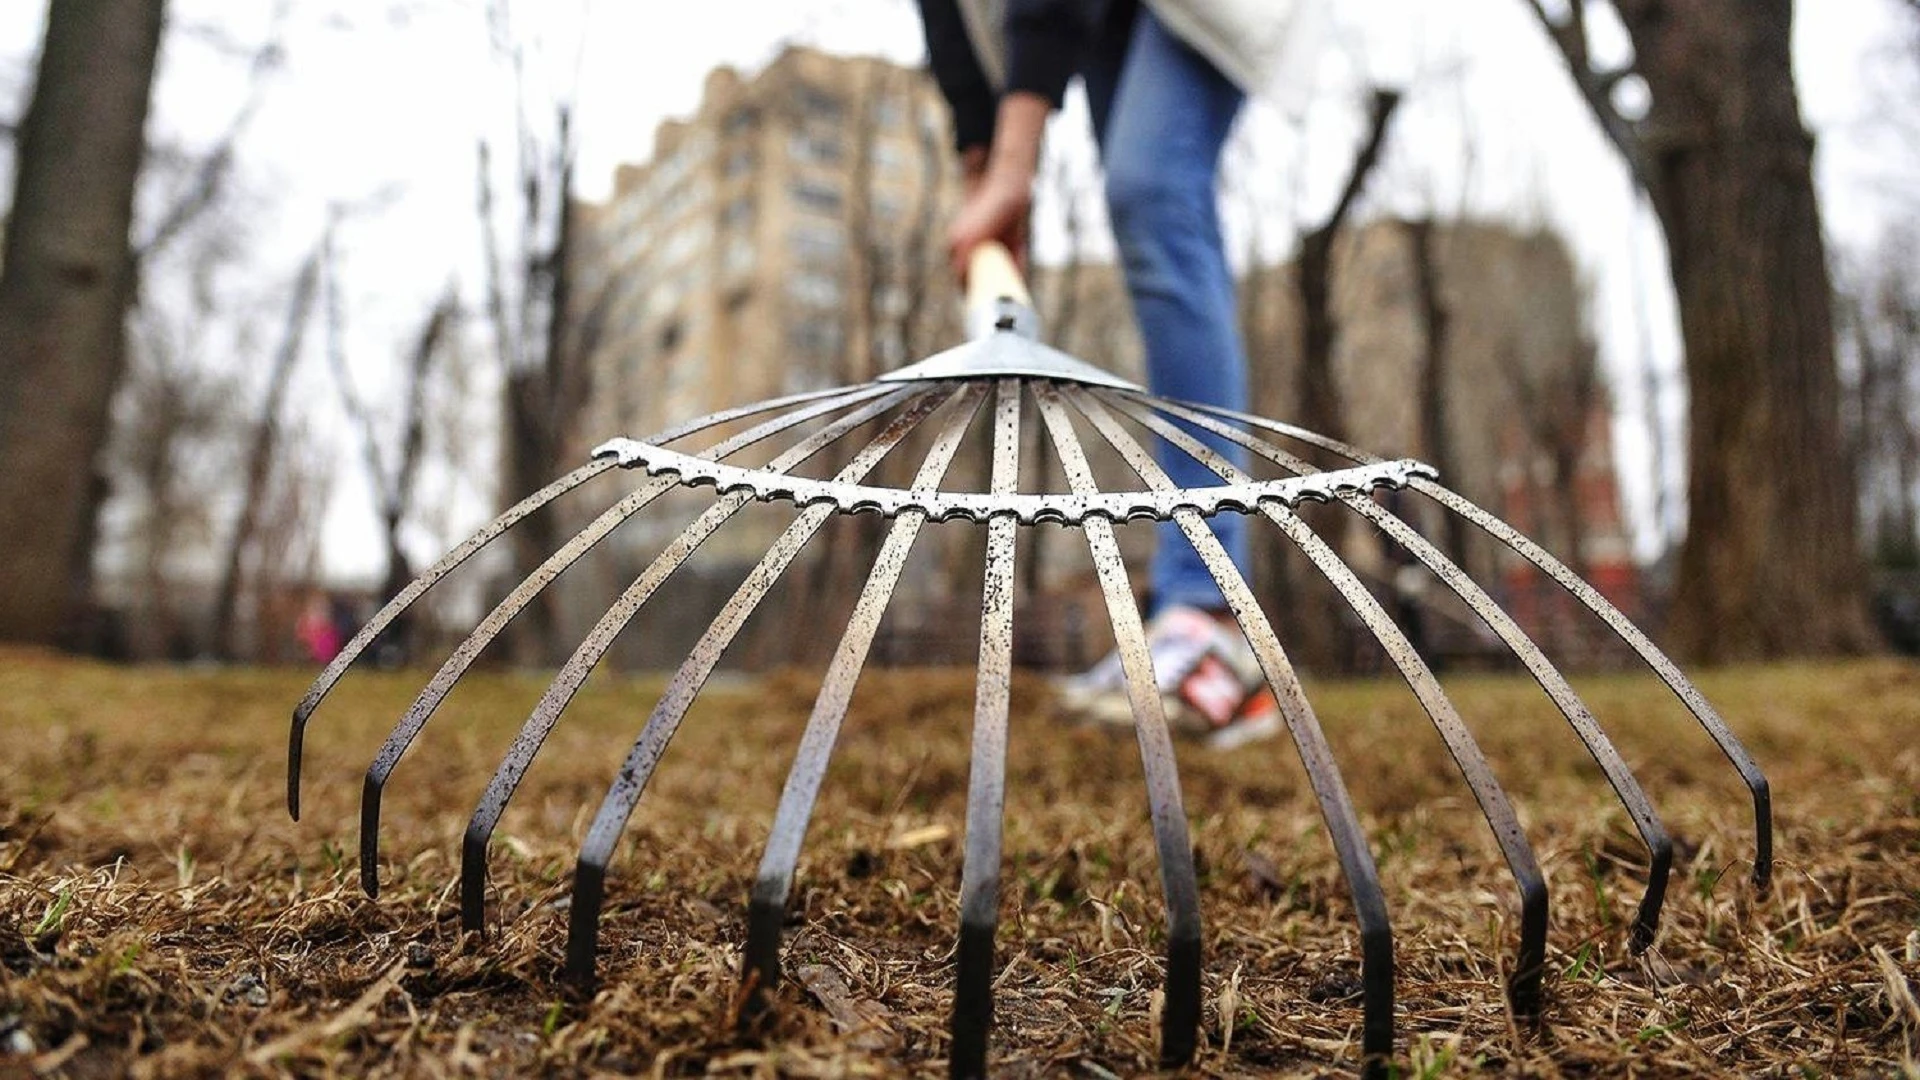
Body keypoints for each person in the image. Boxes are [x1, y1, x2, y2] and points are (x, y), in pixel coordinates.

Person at [916, 0, 1325, 749]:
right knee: (1150, 211)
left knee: (1153, 193)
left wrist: (1015, 163)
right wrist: (983, 164)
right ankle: (1183, 614)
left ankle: (1213, 616)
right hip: (1112, 19)